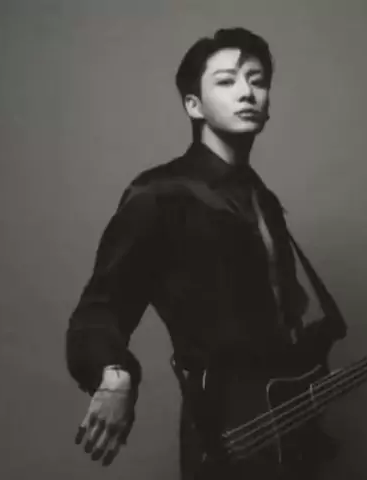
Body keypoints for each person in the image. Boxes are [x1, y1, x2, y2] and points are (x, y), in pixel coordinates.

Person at [66, 27, 347, 479]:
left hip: (289, 436)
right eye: (226, 81)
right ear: (193, 105)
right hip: (223, 435)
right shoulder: (159, 194)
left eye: (257, 80)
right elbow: (98, 309)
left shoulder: (263, 201)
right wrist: (114, 376)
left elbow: (283, 324)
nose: (247, 92)